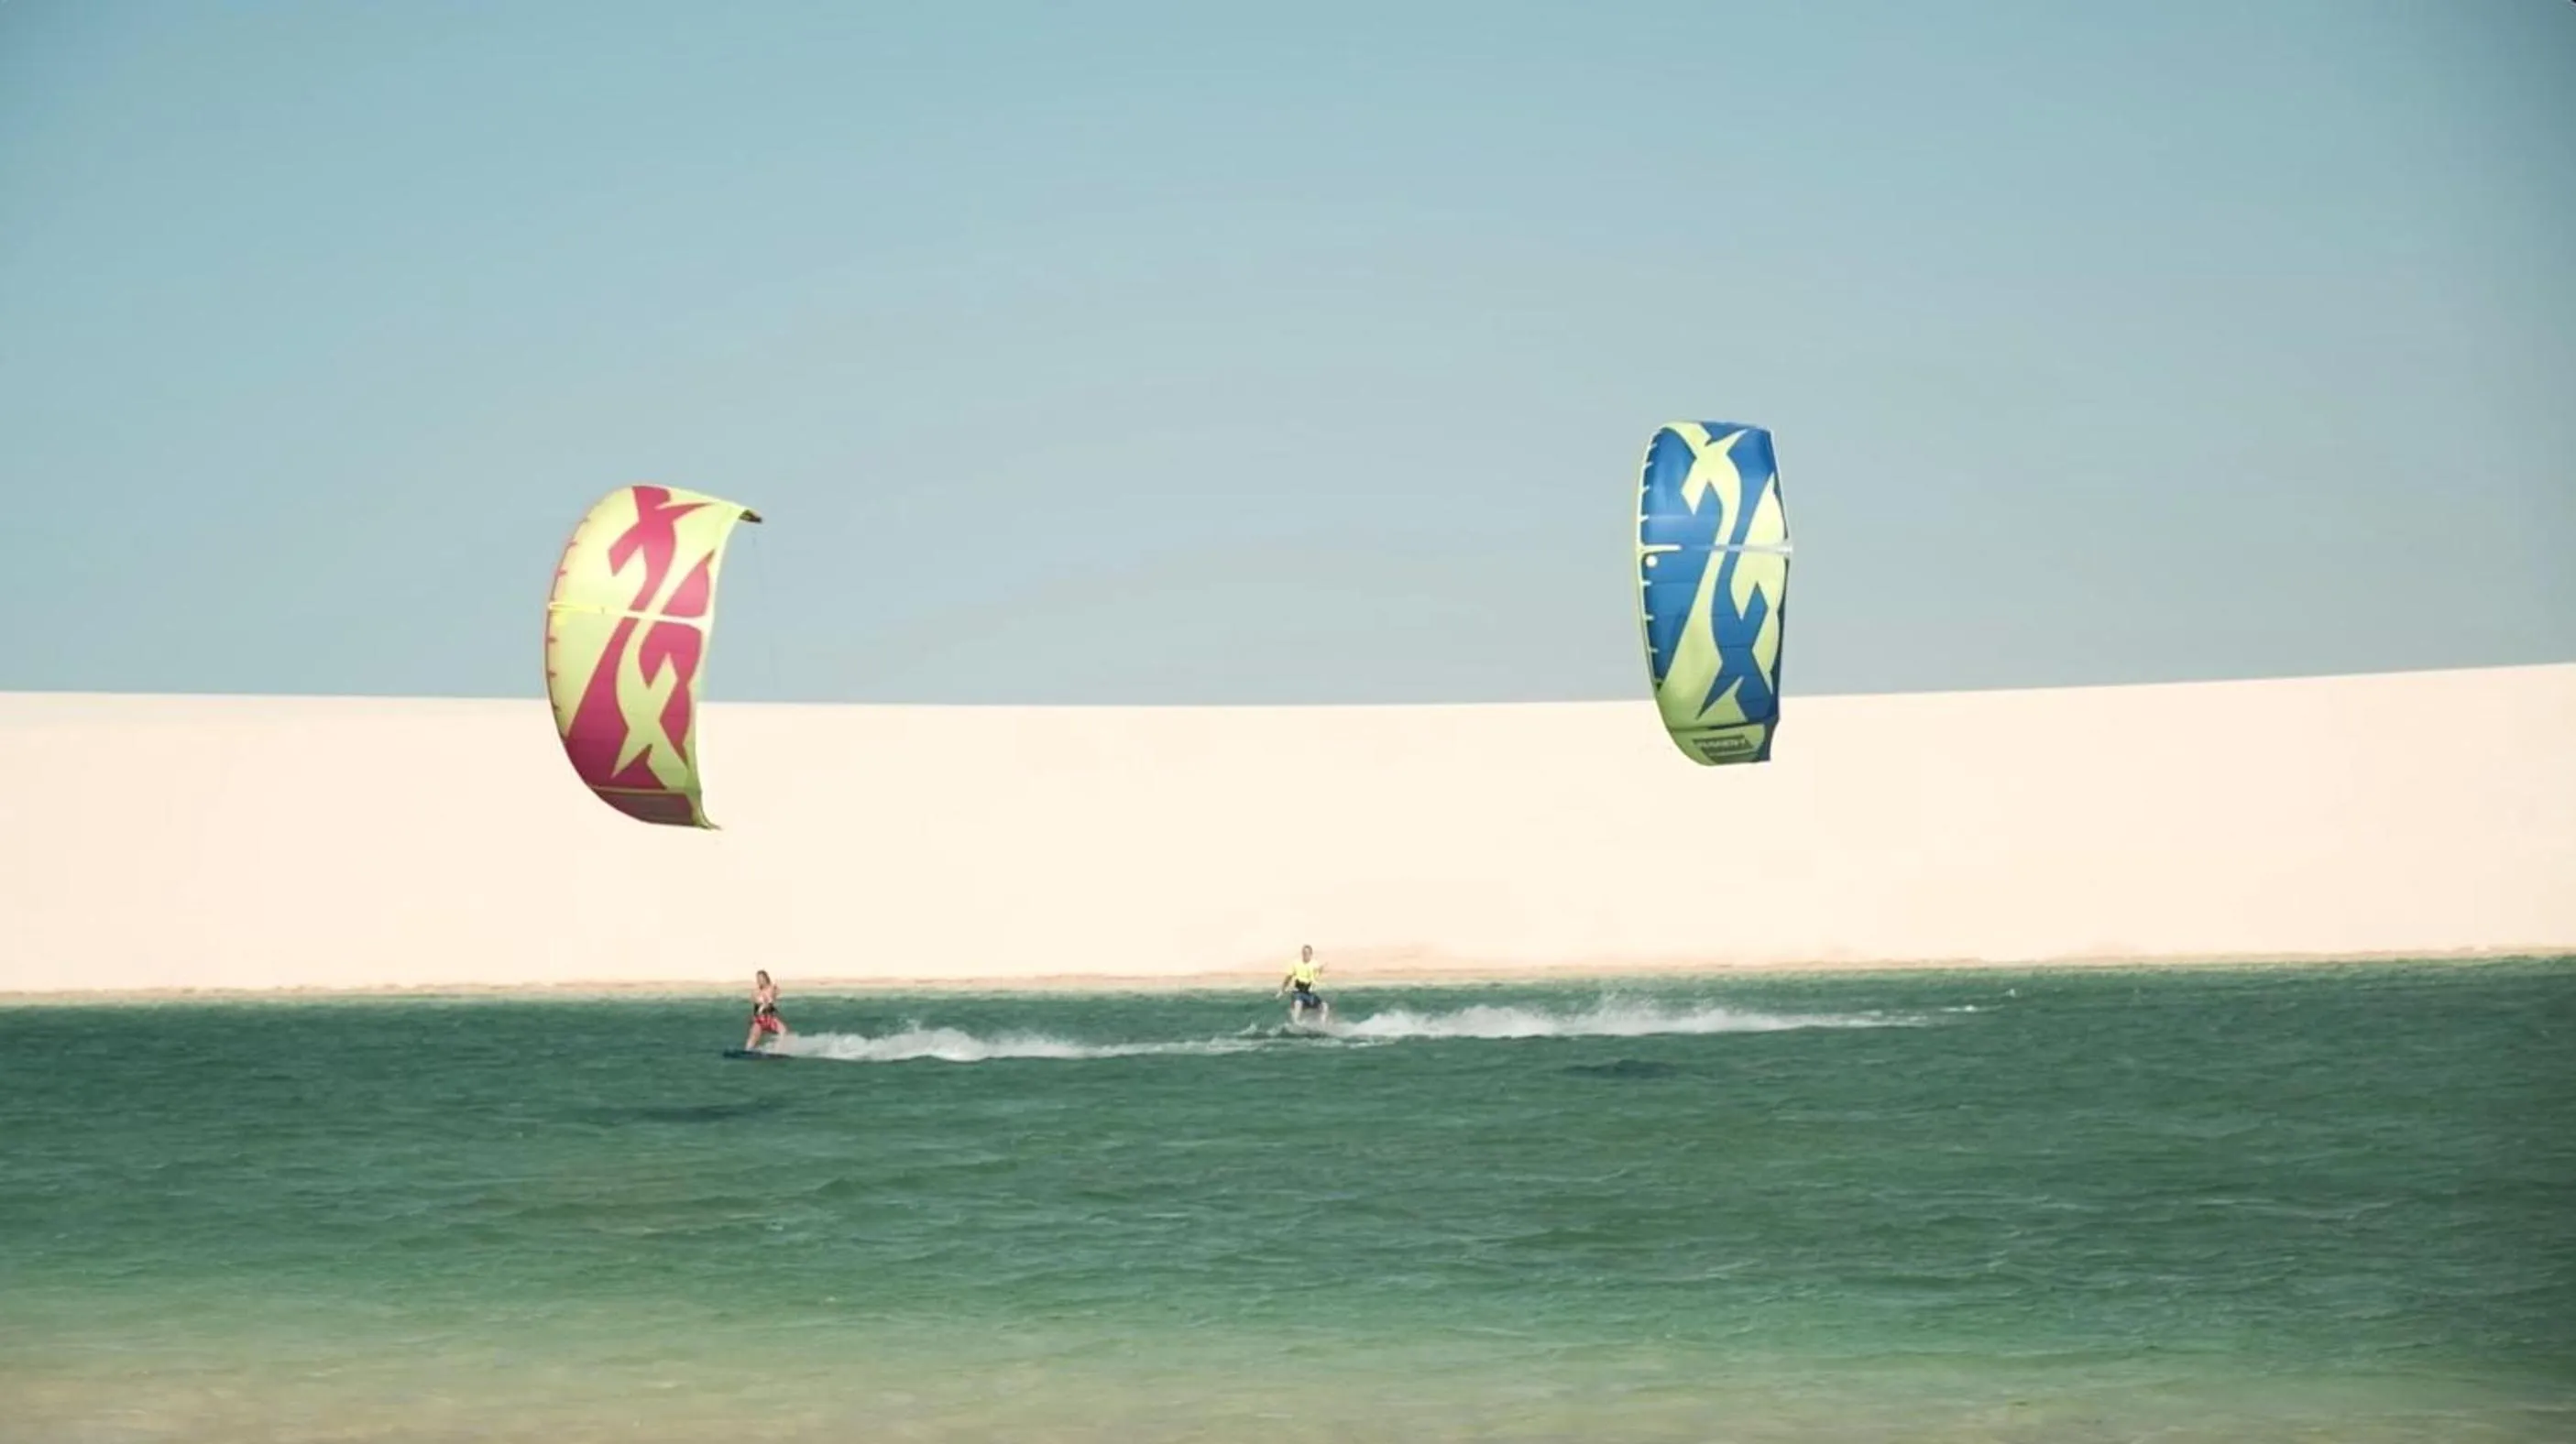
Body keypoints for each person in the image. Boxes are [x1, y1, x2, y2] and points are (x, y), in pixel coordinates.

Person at [1278, 945, 1329, 1025]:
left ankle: (1322, 1024)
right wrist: (1282, 990)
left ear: (1311, 954)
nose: (1305, 955)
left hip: (1309, 993)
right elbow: (1288, 977)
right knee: (1298, 1004)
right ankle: (1295, 1023)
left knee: (1324, 1006)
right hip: (1298, 992)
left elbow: (1317, 973)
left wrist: (1321, 969)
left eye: (1307, 953)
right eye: (1304, 953)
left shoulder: (1314, 964)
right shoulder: (1296, 963)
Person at [743, 969, 789, 1052]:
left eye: (761, 978)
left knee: (783, 1031)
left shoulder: (771, 988)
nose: (759, 981)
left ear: (766, 978)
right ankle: (747, 1050)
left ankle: (777, 1050)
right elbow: (754, 1001)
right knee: (753, 1036)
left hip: (770, 1018)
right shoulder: (756, 991)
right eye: (758, 979)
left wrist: (772, 995)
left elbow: (777, 993)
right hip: (759, 1019)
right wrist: (760, 1000)